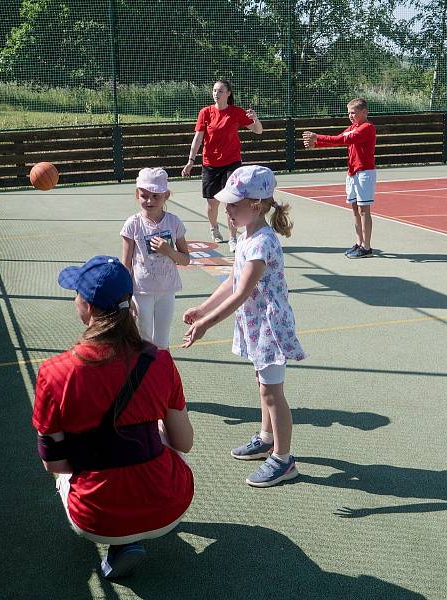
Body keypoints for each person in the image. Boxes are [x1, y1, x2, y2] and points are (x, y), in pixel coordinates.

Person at [33, 255, 194, 578]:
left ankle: (120, 542)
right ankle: (142, 516)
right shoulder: (159, 361)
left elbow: (55, 464)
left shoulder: (54, 373)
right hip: (171, 506)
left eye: (77, 293)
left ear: (88, 307)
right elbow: (184, 443)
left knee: (72, 467)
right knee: (157, 437)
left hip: (94, 519)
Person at [182, 165, 306, 488]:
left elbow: (241, 294)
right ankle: (267, 437)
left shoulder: (262, 242)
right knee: (262, 382)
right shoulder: (245, 236)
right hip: (256, 325)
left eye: (233, 204)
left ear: (255, 204)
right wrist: (203, 308)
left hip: (270, 326)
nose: (227, 209)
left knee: (272, 392)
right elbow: (232, 281)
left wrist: (207, 323)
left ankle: (283, 459)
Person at [181, 79, 263, 252]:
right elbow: (198, 139)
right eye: (214, 91)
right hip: (210, 163)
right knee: (212, 203)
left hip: (232, 163)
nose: (216, 94)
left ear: (228, 93)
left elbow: (258, 130)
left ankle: (233, 238)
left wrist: (255, 119)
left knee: (231, 202)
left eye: (220, 91)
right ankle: (214, 227)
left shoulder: (236, 112)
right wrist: (190, 161)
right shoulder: (205, 112)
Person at [121, 168, 191, 350]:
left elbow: (186, 259)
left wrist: (169, 251)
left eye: (156, 196)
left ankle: (162, 374)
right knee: (143, 338)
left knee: (162, 340)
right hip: (141, 291)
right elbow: (126, 264)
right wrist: (126, 296)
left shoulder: (174, 222)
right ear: (137, 195)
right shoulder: (133, 224)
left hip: (166, 290)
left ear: (166, 195)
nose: (150, 201)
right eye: (144, 196)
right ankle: (144, 375)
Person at [302, 98, 377, 258]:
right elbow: (339, 140)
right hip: (352, 173)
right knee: (355, 210)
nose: (350, 116)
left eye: (354, 113)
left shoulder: (367, 128)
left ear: (364, 112)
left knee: (364, 211)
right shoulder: (352, 127)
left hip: (365, 173)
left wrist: (317, 136)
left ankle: (367, 247)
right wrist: (317, 144)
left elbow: (344, 139)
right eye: (349, 113)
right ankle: (359, 243)